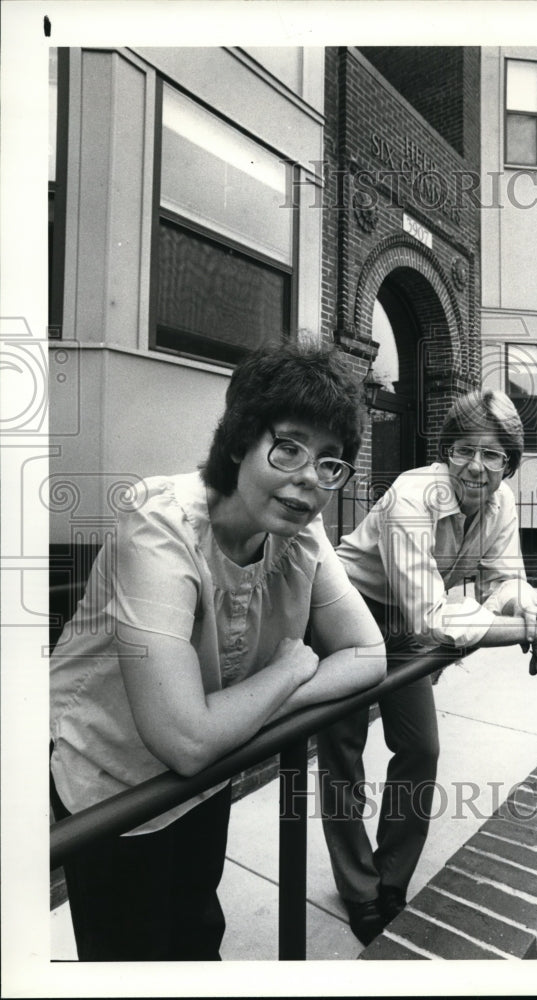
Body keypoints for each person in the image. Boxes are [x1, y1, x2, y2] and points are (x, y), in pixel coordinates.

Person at [50, 343, 386, 961]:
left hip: (204, 782)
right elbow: (183, 738)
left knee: (197, 937)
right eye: (289, 447)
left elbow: (369, 654)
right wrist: (289, 669)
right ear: (238, 442)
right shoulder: (160, 521)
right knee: (131, 956)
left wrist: (265, 700)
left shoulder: (301, 532)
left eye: (331, 462)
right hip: (111, 785)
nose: (310, 477)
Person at [317, 388, 537, 945]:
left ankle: (390, 881)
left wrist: (532, 614)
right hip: (345, 606)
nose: (475, 466)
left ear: (510, 463)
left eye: (493, 454)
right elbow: (433, 619)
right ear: (444, 452)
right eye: (462, 450)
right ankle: (358, 889)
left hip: (406, 621)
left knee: (421, 747)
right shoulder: (413, 494)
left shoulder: (501, 502)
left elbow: (507, 582)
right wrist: (536, 628)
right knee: (343, 751)